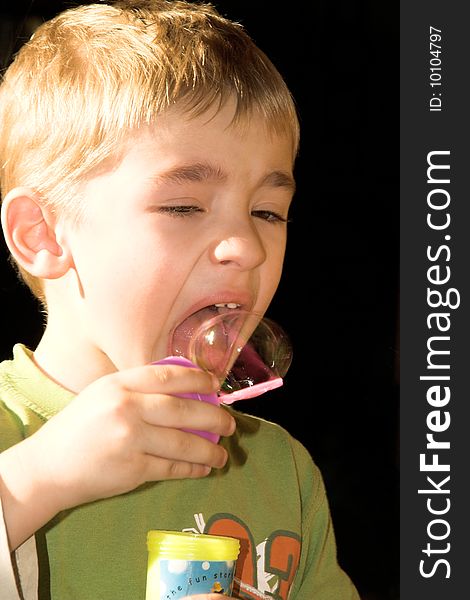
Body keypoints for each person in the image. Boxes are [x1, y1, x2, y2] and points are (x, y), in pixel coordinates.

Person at [0, 1, 360, 599]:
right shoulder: (15, 450)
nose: (245, 245)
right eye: (184, 207)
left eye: (267, 212)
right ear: (44, 235)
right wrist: (33, 484)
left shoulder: (278, 471)